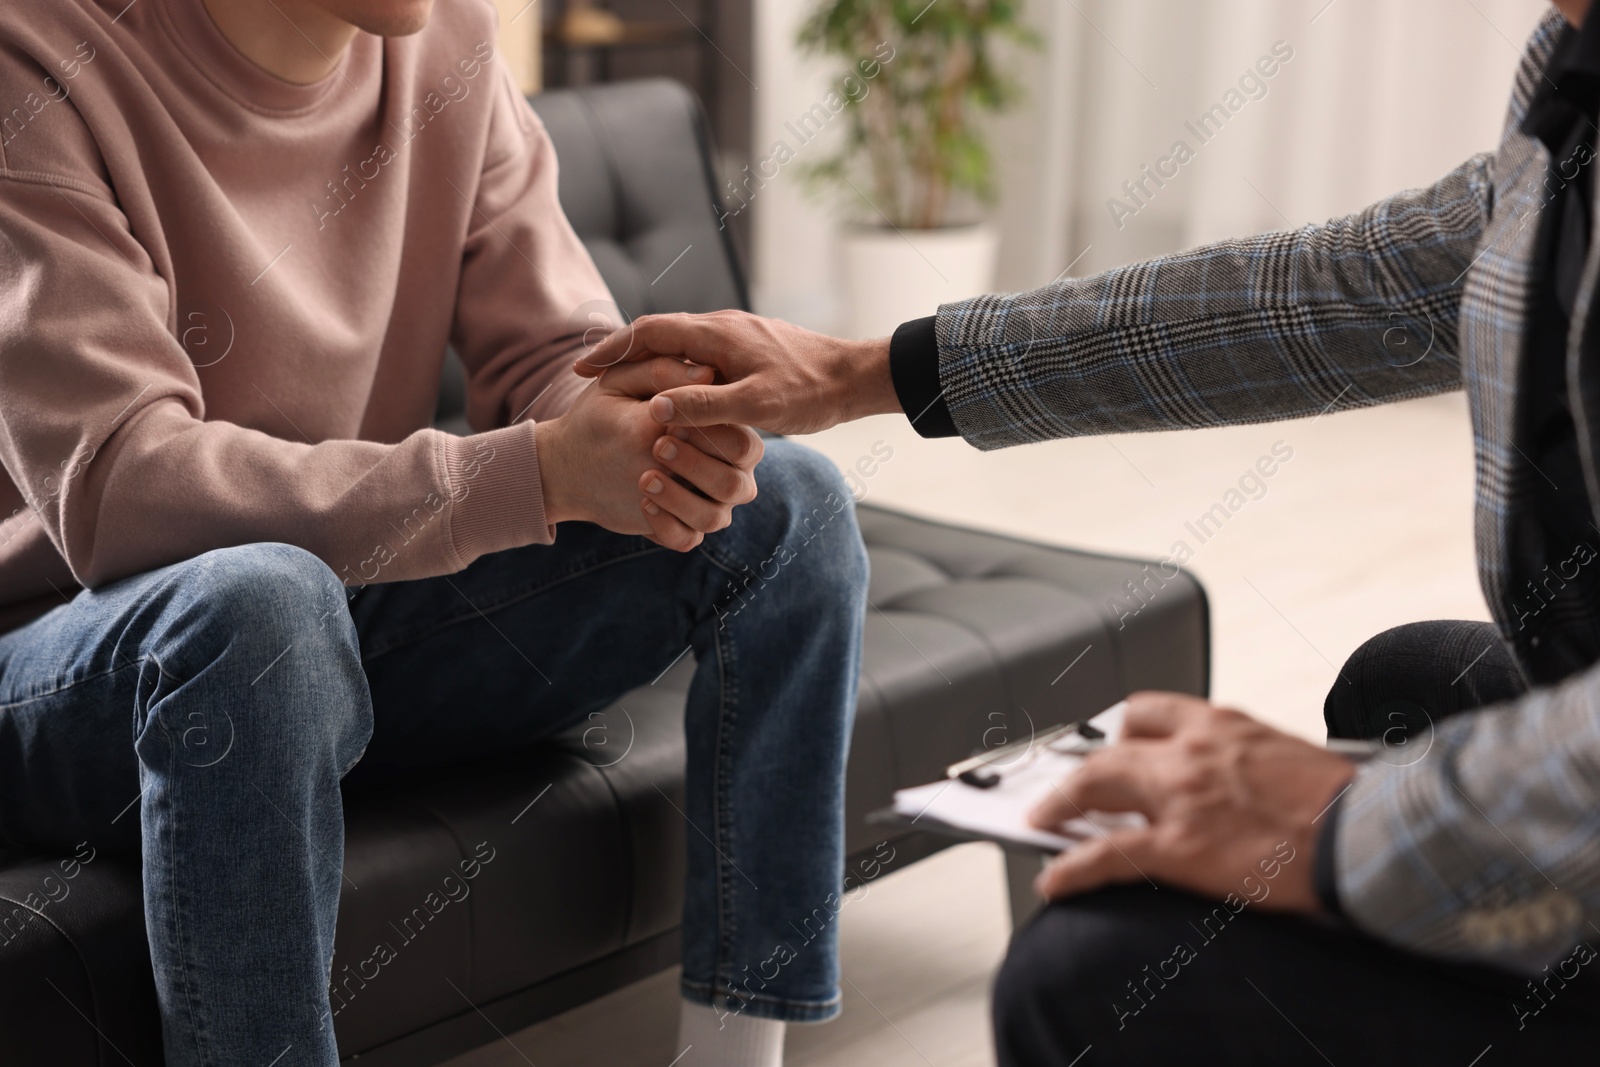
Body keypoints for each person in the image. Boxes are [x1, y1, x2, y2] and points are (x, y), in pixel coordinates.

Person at [578, 2, 1600, 1062]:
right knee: (1407, 682)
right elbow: (1336, 289)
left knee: (1094, 970)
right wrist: (861, 372)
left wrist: (1350, 827)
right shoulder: (1569, 67)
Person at [0, 2, 867, 1065]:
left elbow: (554, 350)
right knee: (259, 606)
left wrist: (652, 416)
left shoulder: (444, 41)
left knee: (786, 503)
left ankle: (734, 1051)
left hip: (321, 626)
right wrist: (531, 473)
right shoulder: (36, 55)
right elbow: (121, 492)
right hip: (70, 662)